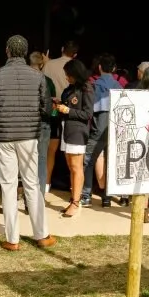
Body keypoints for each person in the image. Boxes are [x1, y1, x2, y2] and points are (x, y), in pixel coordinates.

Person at [0, 35, 56, 251]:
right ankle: (42, 234)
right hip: (30, 136)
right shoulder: (38, 76)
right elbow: (47, 108)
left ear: (7, 51)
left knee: (8, 186)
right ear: (25, 52)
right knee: (32, 184)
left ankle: (12, 239)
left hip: (3, 137)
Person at [56, 59, 93, 217]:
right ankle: (73, 198)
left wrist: (68, 110)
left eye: (68, 75)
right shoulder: (70, 88)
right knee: (71, 166)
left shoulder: (87, 89)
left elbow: (87, 114)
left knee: (77, 167)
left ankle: (76, 202)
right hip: (67, 130)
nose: (67, 77)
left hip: (78, 132)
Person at [83, 53, 121, 207]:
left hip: (99, 128)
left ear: (99, 67)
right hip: (115, 130)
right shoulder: (119, 87)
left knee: (88, 160)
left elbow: (91, 110)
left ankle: (86, 196)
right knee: (112, 163)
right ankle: (107, 198)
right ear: (114, 68)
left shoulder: (95, 85)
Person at [29, 51, 56, 192]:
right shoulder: (47, 81)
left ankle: (26, 193)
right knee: (42, 159)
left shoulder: (23, 79)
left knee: (25, 160)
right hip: (44, 123)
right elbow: (50, 105)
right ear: (41, 64)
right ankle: (39, 195)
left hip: (26, 124)